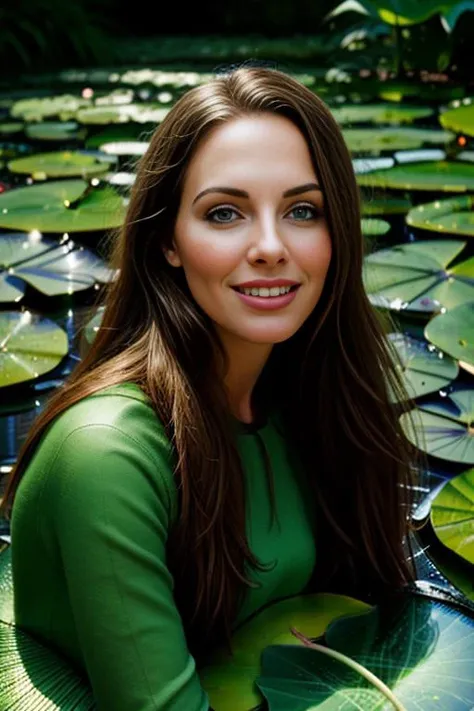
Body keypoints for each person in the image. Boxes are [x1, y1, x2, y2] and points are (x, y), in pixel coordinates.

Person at [0, 65, 421, 711]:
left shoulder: (311, 395)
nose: (271, 246)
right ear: (168, 239)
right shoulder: (107, 452)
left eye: (303, 211)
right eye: (224, 213)